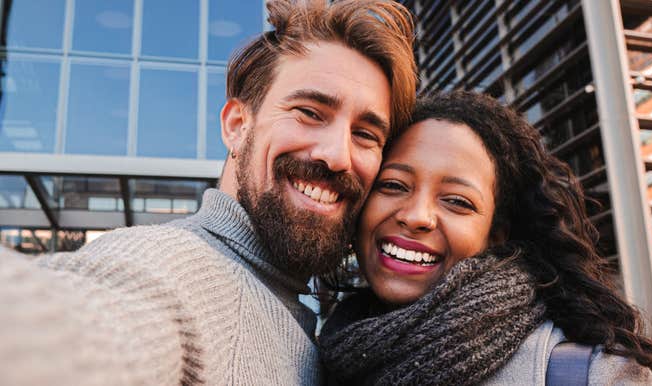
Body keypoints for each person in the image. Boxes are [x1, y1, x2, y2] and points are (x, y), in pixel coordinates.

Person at [0, 1, 415, 385]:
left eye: (365, 134)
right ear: (236, 125)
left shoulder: (314, 323)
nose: (338, 155)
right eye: (309, 112)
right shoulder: (170, 272)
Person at [319, 91, 652, 385]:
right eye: (393, 185)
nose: (416, 216)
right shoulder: (319, 357)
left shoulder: (593, 375)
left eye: (456, 201)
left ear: (496, 234)